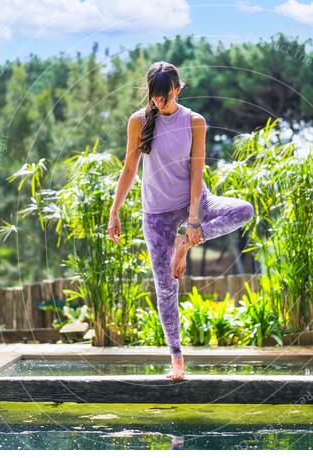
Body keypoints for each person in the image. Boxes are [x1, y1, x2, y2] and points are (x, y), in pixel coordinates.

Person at [107, 61, 254, 380]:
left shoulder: (194, 121)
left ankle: (182, 244)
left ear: (178, 89)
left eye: (166, 94)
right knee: (165, 287)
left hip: (195, 200)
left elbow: (198, 170)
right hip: (156, 213)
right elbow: (130, 169)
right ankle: (176, 359)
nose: (160, 101)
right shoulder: (139, 121)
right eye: (155, 96)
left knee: (243, 210)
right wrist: (114, 211)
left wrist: (192, 224)